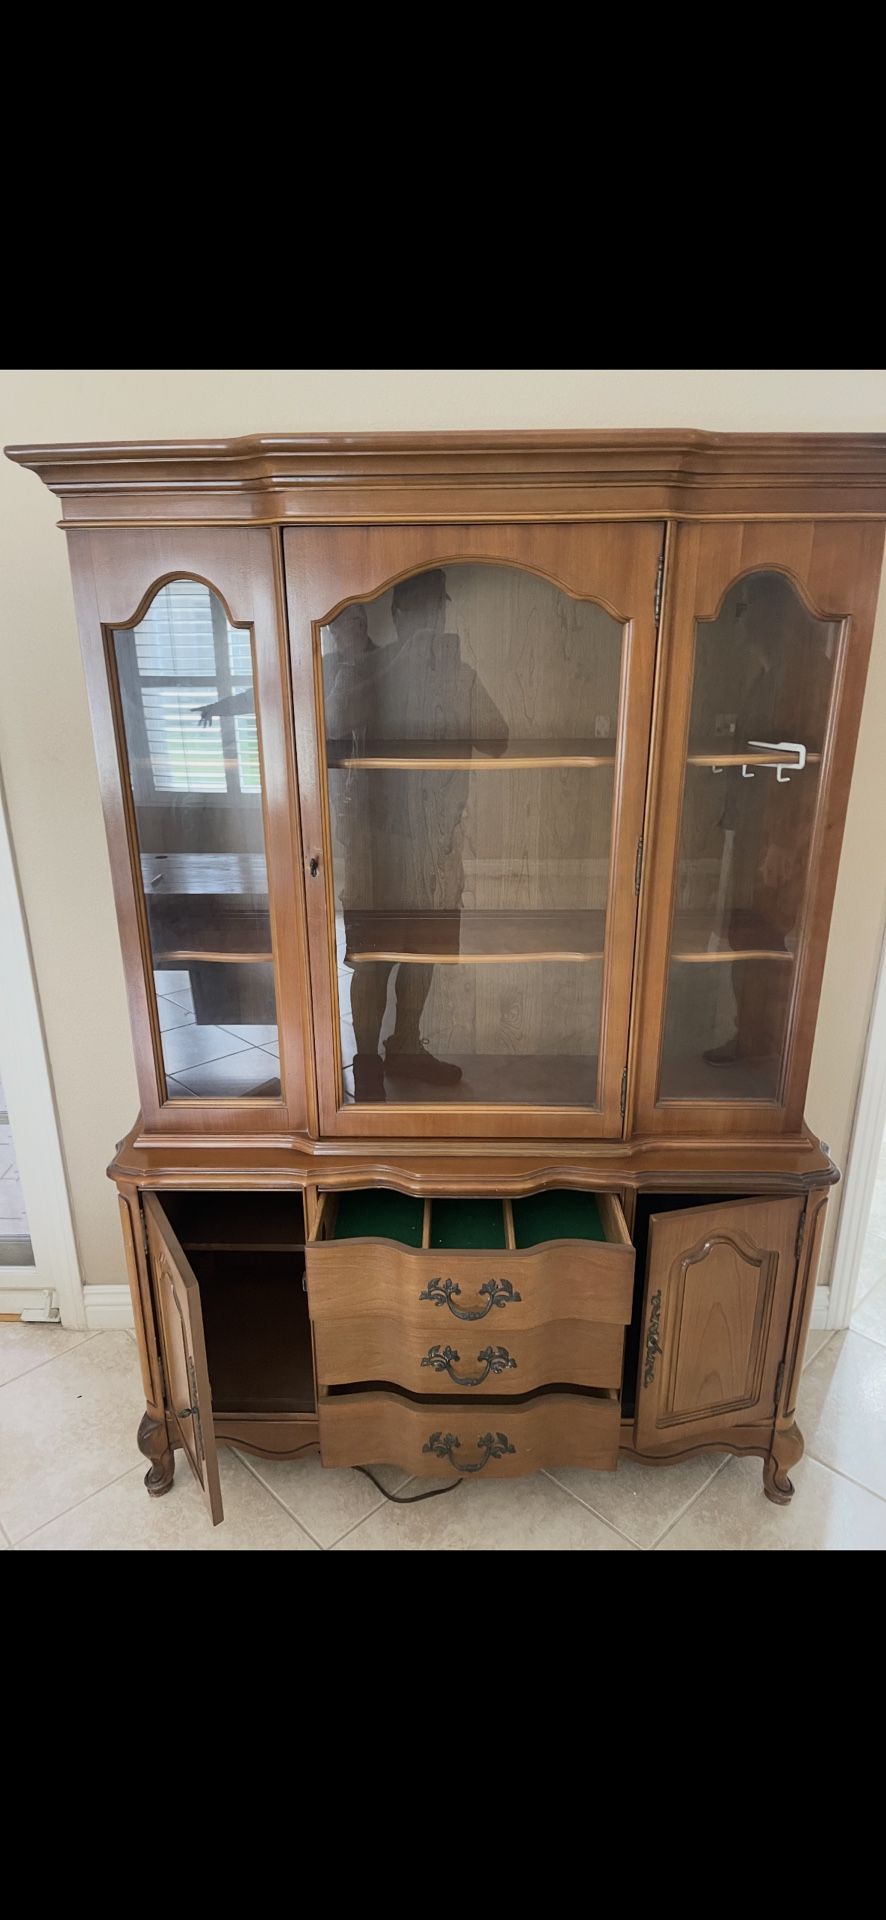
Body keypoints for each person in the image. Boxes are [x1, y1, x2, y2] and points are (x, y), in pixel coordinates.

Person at [327, 570, 508, 1101]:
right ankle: (365, 1061)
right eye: (422, 611)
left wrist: (455, 686)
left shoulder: (459, 674)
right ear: (401, 617)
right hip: (375, 849)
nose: (432, 621)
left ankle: (404, 1045)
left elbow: (497, 740)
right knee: (373, 955)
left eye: (438, 611)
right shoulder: (372, 669)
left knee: (423, 952)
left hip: (436, 848)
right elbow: (331, 725)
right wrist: (360, 661)